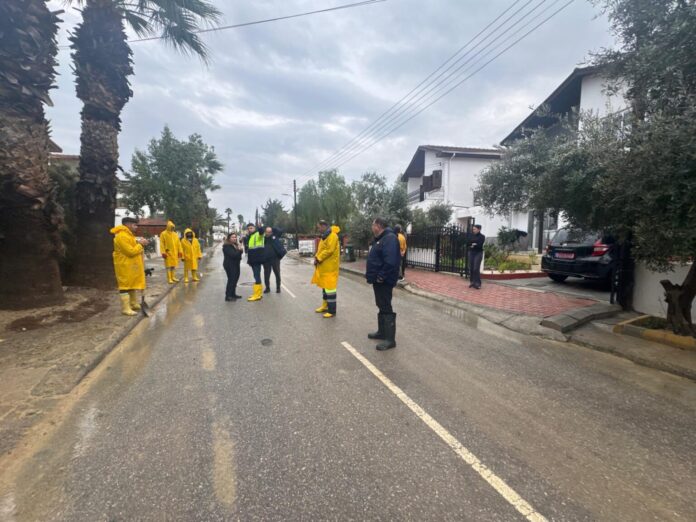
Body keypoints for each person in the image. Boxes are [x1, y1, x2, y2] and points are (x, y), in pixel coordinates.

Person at [365, 217, 401, 350]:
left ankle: (390, 340)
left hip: (384, 280)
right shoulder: (381, 239)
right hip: (378, 280)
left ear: (378, 226)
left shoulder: (389, 238)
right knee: (381, 304)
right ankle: (382, 332)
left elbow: (390, 261)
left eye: (372, 224)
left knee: (385, 306)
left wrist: (381, 276)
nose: (371, 227)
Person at [110, 217, 149, 316]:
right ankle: (125, 308)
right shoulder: (121, 236)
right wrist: (140, 245)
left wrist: (140, 244)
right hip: (124, 265)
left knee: (131, 284)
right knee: (124, 286)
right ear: (128, 224)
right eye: (135, 225)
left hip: (130, 265)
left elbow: (134, 248)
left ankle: (133, 304)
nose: (136, 227)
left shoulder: (129, 235)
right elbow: (130, 252)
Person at [311, 220, 341, 318]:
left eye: (319, 227)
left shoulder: (332, 236)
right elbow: (321, 249)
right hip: (325, 267)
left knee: (330, 290)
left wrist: (318, 258)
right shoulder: (325, 236)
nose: (318, 229)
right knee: (325, 288)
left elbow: (329, 250)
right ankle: (325, 306)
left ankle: (332, 311)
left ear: (324, 226)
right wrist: (316, 257)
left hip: (330, 268)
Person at [245, 223, 265, 302]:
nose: (250, 229)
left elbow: (261, 233)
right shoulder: (251, 236)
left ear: (254, 228)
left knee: (257, 276)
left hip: (257, 259)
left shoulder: (258, 234)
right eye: (248, 228)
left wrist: (260, 228)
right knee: (256, 276)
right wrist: (249, 260)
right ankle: (258, 293)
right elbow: (250, 250)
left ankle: (257, 295)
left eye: (251, 228)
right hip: (253, 259)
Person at [262, 226, 286, 293]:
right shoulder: (263, 239)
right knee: (266, 275)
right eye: (267, 232)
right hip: (266, 260)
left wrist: (272, 228)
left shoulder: (275, 236)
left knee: (277, 274)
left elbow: (280, 231)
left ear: (272, 232)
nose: (268, 233)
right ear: (265, 232)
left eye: (270, 232)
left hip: (275, 259)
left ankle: (278, 288)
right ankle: (267, 288)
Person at [222, 232, 243, 301]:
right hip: (229, 265)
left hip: (236, 264)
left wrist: (240, 250)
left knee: (235, 280)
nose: (234, 238)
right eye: (232, 237)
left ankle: (233, 294)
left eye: (235, 237)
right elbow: (233, 255)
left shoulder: (235, 245)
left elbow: (238, 255)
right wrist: (239, 250)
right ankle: (228, 296)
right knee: (231, 280)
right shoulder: (226, 246)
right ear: (229, 238)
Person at [467, 224, 485, 289]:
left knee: (476, 268)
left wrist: (472, 244)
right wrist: (474, 243)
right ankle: (472, 282)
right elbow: (468, 243)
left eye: (474, 229)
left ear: (479, 229)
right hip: (471, 253)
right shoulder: (471, 235)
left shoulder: (482, 236)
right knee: (471, 268)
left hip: (478, 253)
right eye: (473, 229)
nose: (473, 230)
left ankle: (478, 283)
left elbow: (479, 245)